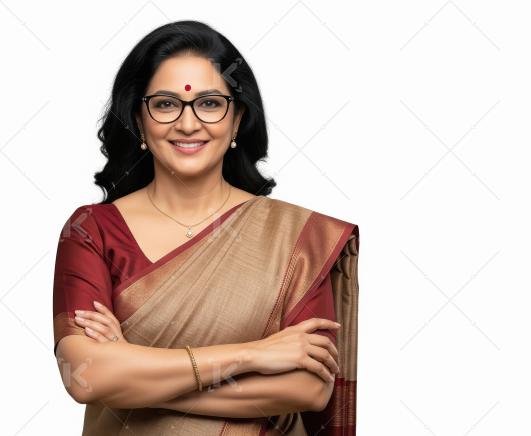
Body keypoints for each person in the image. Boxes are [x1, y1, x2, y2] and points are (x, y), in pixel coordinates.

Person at [51, 20, 358, 435]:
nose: (189, 123)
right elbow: (84, 374)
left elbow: (308, 388)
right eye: (165, 104)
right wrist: (255, 355)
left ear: (238, 119)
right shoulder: (93, 230)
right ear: (140, 121)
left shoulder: (296, 238)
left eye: (210, 103)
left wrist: (131, 375)